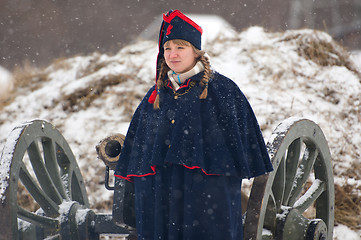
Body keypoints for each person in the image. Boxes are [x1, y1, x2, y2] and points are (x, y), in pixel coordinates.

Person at [115, 9, 273, 240]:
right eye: (167, 48)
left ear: (196, 52)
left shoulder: (223, 91)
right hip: (161, 194)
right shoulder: (156, 95)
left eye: (180, 47)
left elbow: (238, 147)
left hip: (206, 196)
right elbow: (140, 151)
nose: (173, 54)